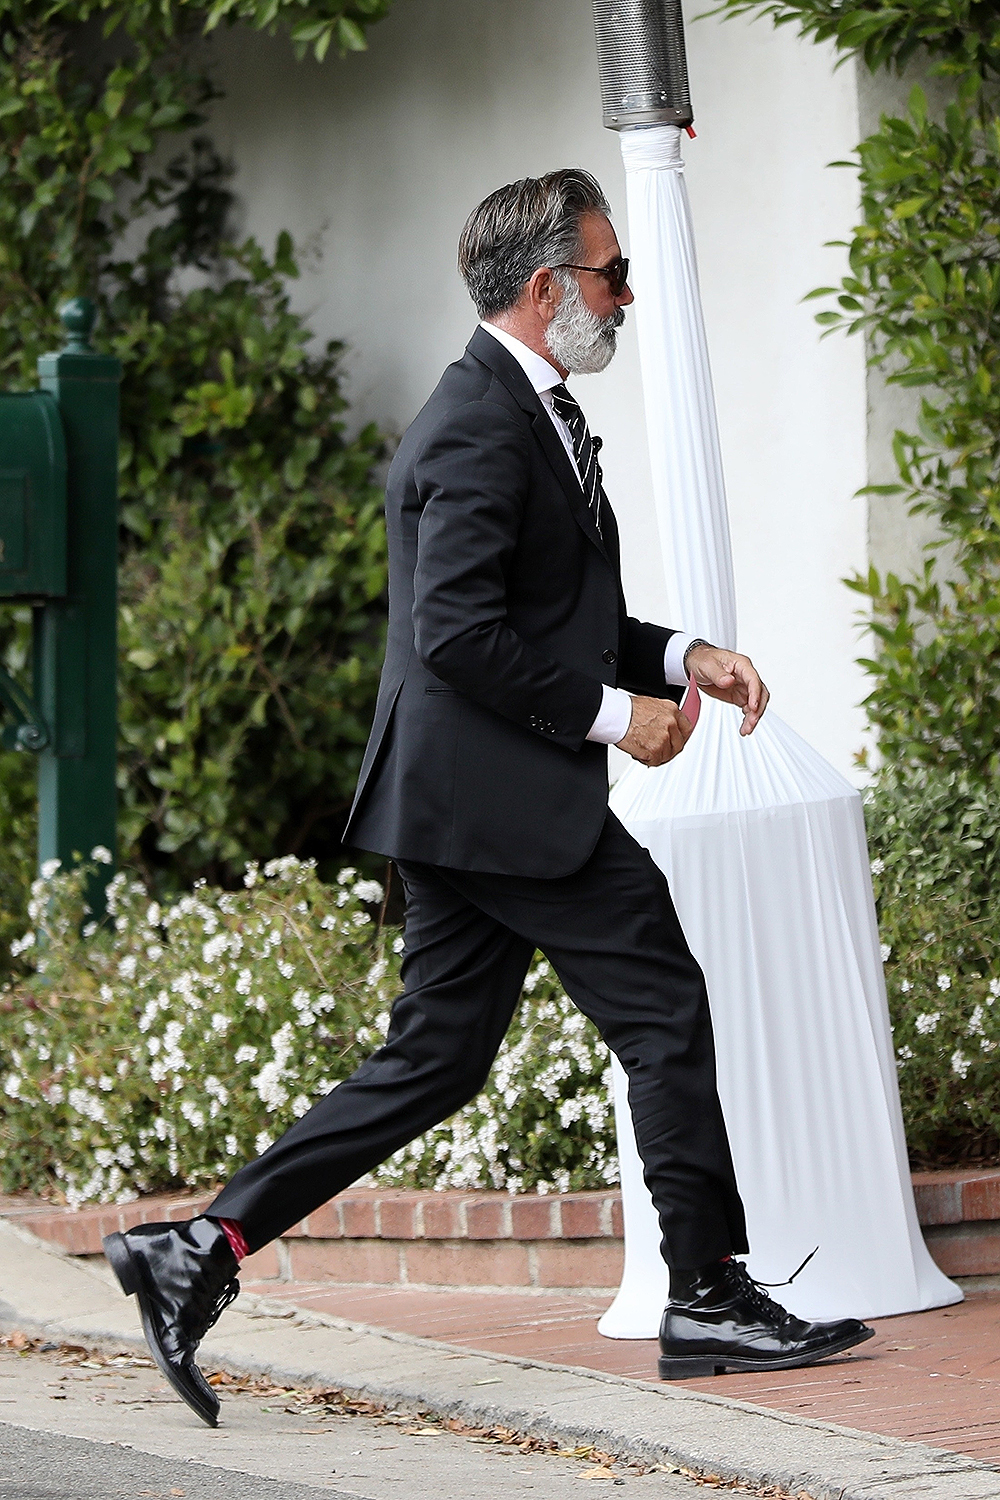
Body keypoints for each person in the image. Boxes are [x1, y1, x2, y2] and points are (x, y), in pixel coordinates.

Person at [103, 168, 873, 1427]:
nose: (623, 296)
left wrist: (683, 658)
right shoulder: (472, 424)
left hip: (463, 804)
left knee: (436, 1059)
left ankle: (202, 1249)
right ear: (545, 289)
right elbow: (455, 633)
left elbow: (553, 614)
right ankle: (709, 1294)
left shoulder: (531, 413)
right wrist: (619, 720)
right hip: (499, 799)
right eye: (611, 275)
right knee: (663, 1007)